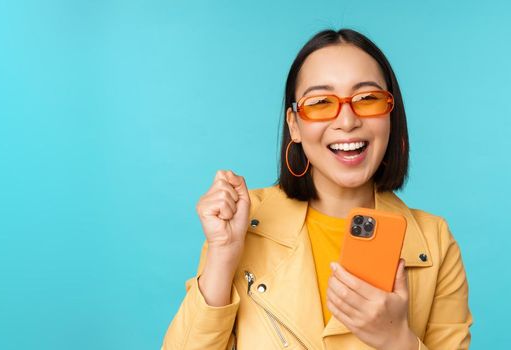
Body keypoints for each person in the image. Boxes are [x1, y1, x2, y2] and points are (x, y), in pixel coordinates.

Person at [162, 28, 472, 350]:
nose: (347, 120)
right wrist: (223, 256)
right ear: (294, 125)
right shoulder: (243, 223)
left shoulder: (434, 242)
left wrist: (397, 340)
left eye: (367, 99)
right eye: (321, 102)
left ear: (391, 116)